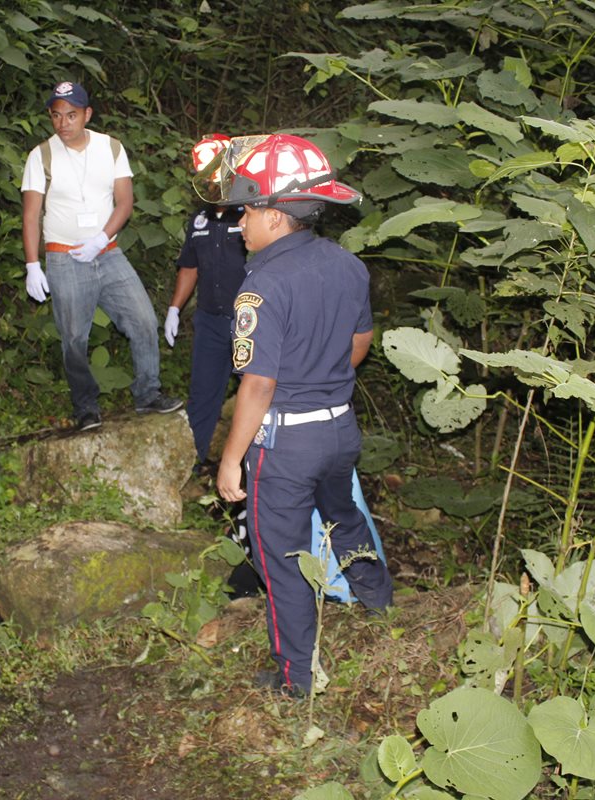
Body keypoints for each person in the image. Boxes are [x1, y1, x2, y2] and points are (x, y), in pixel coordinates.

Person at [214, 135, 394, 698]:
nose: (240, 223)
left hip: (286, 446)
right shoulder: (347, 265)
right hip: (341, 429)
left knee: (282, 557)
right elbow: (360, 341)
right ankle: (379, 600)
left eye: (246, 211)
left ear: (274, 215)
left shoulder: (263, 283)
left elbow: (258, 384)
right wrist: (321, 376)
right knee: (343, 515)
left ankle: (296, 679)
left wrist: (231, 460)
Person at [21, 80, 182, 432]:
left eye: (72, 115)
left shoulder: (110, 148)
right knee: (74, 337)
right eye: (57, 115)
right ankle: (86, 407)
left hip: (107, 253)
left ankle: (147, 392)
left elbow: (125, 202)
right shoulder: (41, 155)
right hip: (65, 258)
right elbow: (32, 214)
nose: (64, 123)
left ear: (87, 114)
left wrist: (101, 238)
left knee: (142, 319)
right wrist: (33, 264)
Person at [164, 134, 248, 470]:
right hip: (210, 321)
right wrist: (174, 308)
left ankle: (257, 470)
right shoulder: (198, 220)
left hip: (249, 322)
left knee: (257, 393)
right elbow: (189, 266)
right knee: (202, 396)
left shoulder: (251, 211)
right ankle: (194, 466)